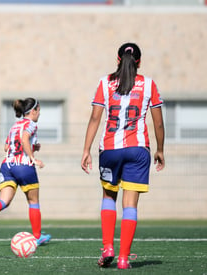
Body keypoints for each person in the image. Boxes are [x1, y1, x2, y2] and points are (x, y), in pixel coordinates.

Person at [81, 43, 165, 269]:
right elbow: (157, 122)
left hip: (109, 150)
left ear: (117, 60)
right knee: (130, 204)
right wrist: (160, 150)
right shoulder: (148, 84)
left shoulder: (105, 82)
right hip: (138, 150)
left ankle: (108, 246)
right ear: (139, 62)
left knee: (109, 197)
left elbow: (95, 119)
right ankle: (123, 259)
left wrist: (86, 150)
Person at [0, 98, 51, 246]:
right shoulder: (31, 124)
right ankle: (37, 236)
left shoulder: (15, 125)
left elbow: (7, 147)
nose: (39, 114)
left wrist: (32, 147)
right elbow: (24, 139)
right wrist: (32, 157)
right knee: (33, 201)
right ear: (33, 111)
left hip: (7, 165)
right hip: (23, 166)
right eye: (39, 111)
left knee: (4, 200)